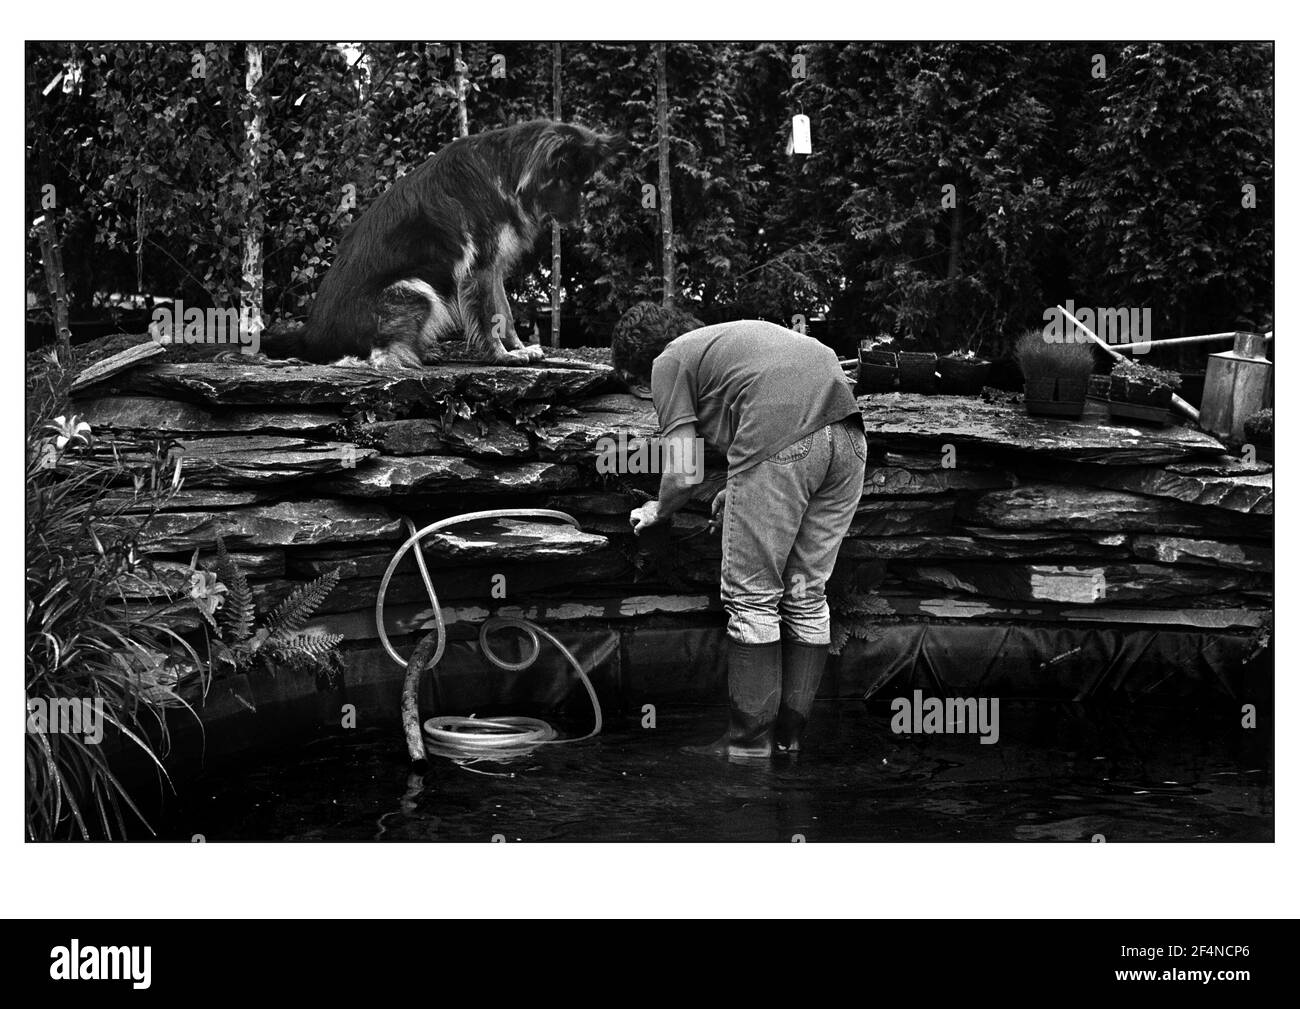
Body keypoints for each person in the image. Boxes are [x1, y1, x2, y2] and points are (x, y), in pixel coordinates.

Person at [611, 304, 867, 761]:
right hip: (849, 439)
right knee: (806, 593)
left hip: (785, 443)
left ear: (637, 371)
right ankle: (788, 741)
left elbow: (685, 471)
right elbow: (777, 407)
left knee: (752, 597)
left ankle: (748, 746)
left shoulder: (668, 360)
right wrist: (743, 487)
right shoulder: (731, 339)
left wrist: (659, 511)